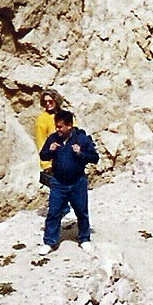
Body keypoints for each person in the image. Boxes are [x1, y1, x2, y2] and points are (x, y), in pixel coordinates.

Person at [39, 108, 99, 252]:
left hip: (77, 182)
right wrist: (50, 151)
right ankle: (49, 242)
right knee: (53, 212)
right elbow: (43, 155)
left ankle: (84, 238)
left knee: (81, 211)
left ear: (69, 126)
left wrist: (81, 153)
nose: (57, 129)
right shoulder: (53, 139)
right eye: (56, 126)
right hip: (58, 182)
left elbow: (95, 158)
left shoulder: (81, 139)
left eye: (60, 126)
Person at [35, 88, 63, 187]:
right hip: (54, 164)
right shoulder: (42, 119)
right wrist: (46, 165)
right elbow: (41, 142)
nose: (48, 104)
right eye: (45, 101)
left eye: (50, 101)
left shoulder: (65, 115)